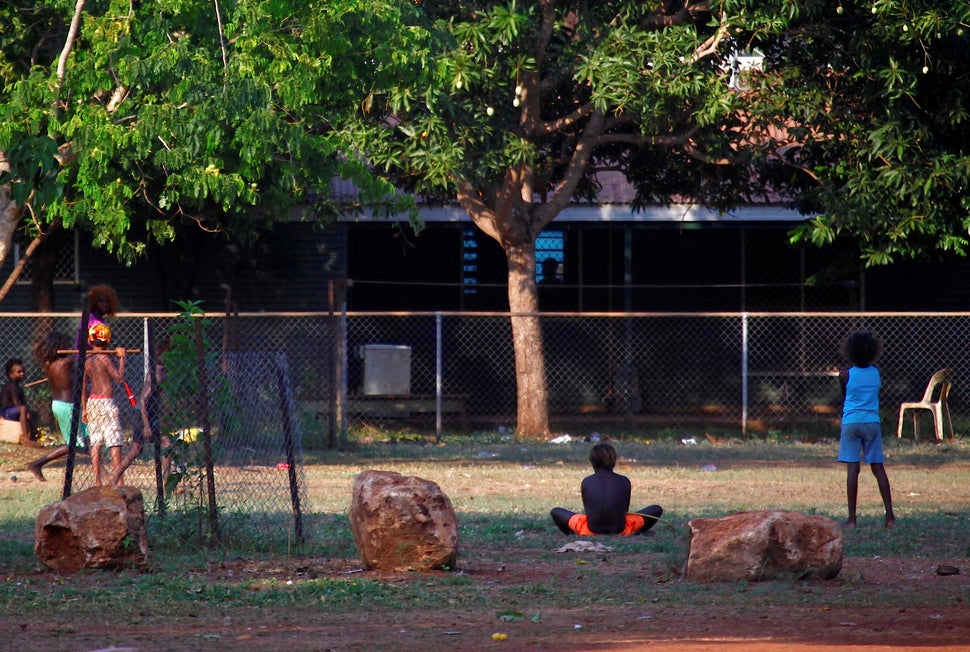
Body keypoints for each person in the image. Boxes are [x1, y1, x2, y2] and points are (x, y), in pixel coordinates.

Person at [838, 331, 895, 529]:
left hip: (851, 422)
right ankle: (890, 517)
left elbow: (845, 396)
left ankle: (852, 519)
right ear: (873, 352)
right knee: (878, 467)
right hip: (872, 422)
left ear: (850, 352)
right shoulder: (876, 372)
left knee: (853, 469)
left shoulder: (846, 374)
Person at [551, 442, 663, 536]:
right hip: (621, 530)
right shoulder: (624, 480)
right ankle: (638, 532)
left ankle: (571, 534)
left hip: (590, 530)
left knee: (556, 511)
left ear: (592, 462)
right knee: (656, 509)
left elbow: (588, 511)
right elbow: (624, 511)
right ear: (613, 461)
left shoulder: (587, 481)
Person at [112, 338, 175, 489]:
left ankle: (113, 479)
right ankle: (166, 484)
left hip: (149, 415)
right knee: (167, 444)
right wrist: (146, 425)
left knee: (136, 450)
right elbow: (142, 400)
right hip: (144, 415)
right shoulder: (158, 373)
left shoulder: (160, 370)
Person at [27, 332, 90, 481]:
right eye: (66, 345)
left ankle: (101, 470)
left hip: (63, 405)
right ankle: (37, 463)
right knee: (74, 444)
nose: (68, 347)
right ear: (59, 347)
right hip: (66, 407)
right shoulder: (65, 363)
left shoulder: (49, 364)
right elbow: (82, 358)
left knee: (86, 441)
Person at [81, 323, 127, 487]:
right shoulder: (105, 358)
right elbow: (119, 378)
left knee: (96, 442)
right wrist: (122, 358)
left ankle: (97, 479)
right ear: (108, 341)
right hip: (106, 403)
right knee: (114, 442)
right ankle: (119, 480)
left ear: (90, 340)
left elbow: (83, 386)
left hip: (92, 402)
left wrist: (85, 408)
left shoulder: (88, 360)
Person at [0, 358, 41, 448]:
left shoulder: (18, 387)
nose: (22, 374)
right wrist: (25, 412)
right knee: (23, 409)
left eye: (23, 371)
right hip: (5, 413)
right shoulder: (11, 386)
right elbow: (18, 404)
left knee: (34, 414)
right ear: (11, 374)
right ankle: (26, 439)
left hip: (13, 412)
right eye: (19, 372)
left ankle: (32, 437)